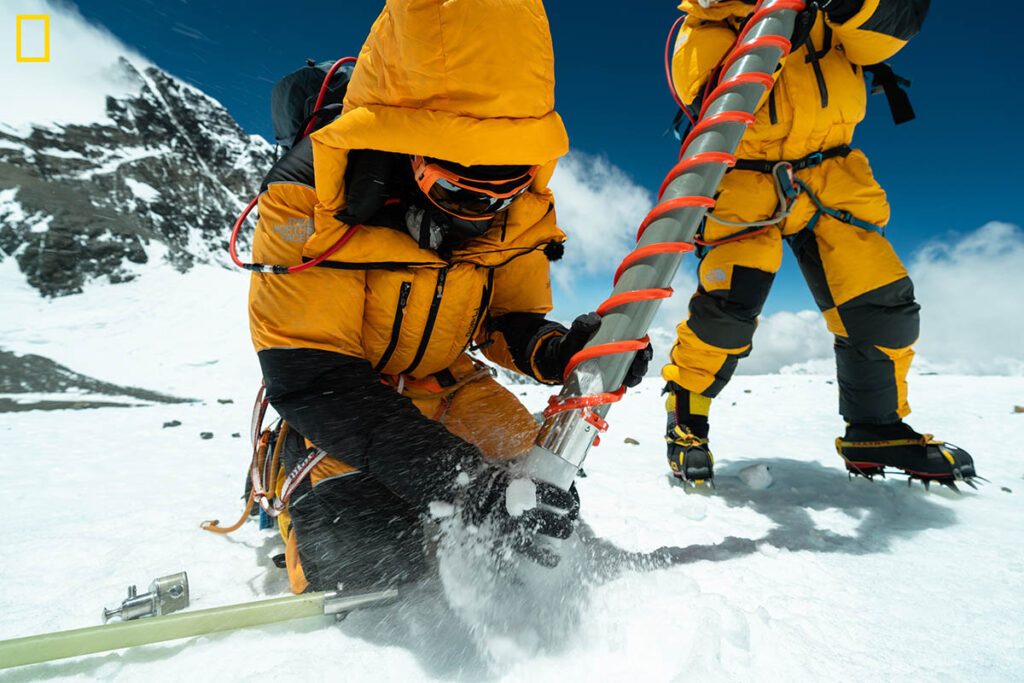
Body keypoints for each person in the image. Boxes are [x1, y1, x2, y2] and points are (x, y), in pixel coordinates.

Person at [248, 0, 649, 593]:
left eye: (504, 193)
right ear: (410, 155)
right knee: (367, 558)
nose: (485, 215)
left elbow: (509, 320)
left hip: (450, 385)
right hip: (350, 397)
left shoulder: (521, 211)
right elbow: (314, 376)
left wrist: (563, 354)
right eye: (461, 194)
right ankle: (291, 462)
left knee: (542, 501)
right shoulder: (313, 202)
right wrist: (461, 481)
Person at [661, 0, 976, 486]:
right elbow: (719, 100)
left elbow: (890, 30)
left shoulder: (833, 12)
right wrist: (779, 26)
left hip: (833, 173)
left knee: (879, 301)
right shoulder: (704, 23)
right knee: (729, 308)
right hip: (743, 180)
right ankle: (687, 419)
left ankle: (876, 430)